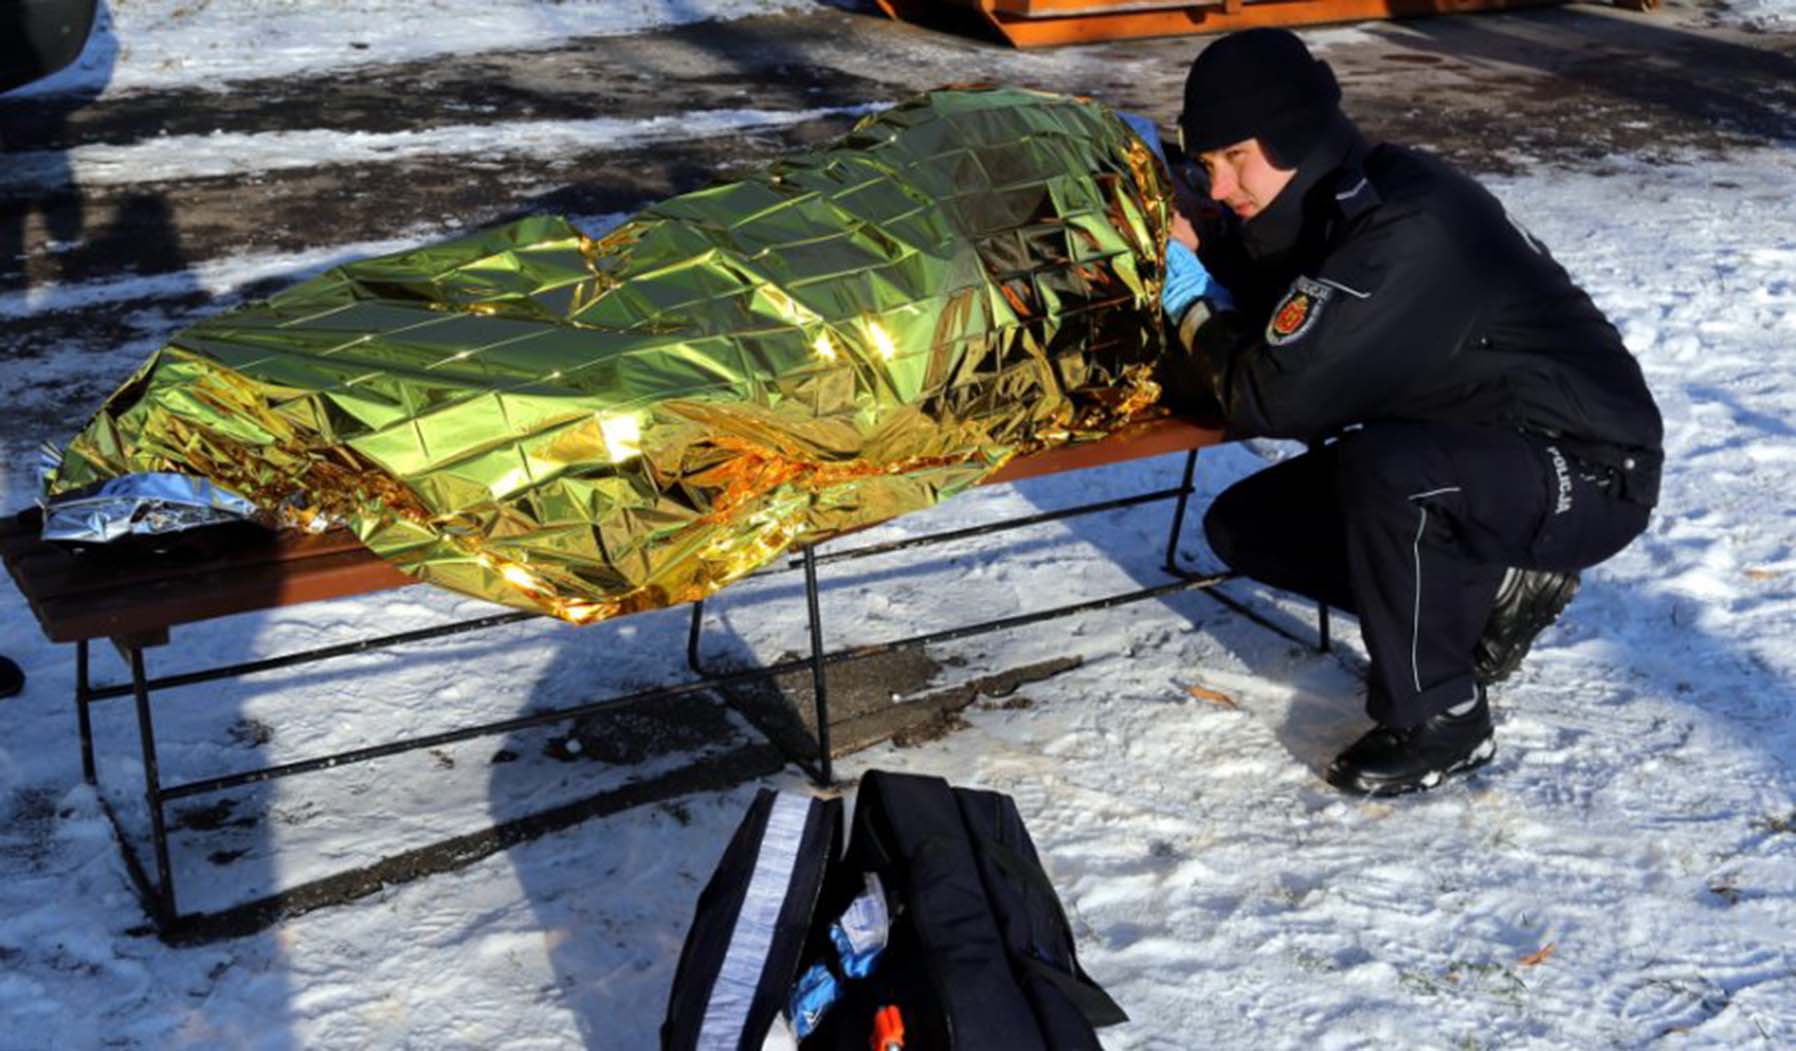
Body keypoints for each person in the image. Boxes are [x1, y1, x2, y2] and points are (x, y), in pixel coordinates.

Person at [1156, 29, 1662, 796]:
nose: (1220, 186)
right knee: (1247, 527)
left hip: (1589, 467)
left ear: (1291, 134)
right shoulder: (1337, 201)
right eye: (1208, 164)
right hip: (1480, 450)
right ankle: (1493, 590)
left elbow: (1273, 394)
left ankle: (1442, 714)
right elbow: (1291, 313)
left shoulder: (1404, 226)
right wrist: (1215, 249)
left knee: (1388, 474)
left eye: (1234, 159)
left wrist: (1192, 298)